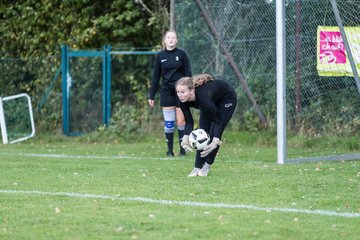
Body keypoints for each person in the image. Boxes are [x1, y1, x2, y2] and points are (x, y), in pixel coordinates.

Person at [176, 74, 237, 177]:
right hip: (211, 102)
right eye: (178, 92)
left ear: (191, 91)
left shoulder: (203, 98)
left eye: (183, 92)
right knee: (202, 134)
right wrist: (185, 137)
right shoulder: (182, 100)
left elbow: (217, 121)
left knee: (214, 133)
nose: (180, 95)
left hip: (226, 99)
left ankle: (207, 167)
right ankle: (197, 167)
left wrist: (215, 140)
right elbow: (189, 121)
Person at [148, 30, 192, 157]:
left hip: (180, 92)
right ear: (165, 40)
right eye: (169, 38)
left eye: (173, 38)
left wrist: (190, 91)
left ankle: (182, 150)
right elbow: (156, 76)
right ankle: (169, 151)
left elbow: (188, 73)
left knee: (180, 121)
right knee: (169, 122)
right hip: (166, 92)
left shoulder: (182, 54)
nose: (171, 40)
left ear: (177, 40)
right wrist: (151, 95)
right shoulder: (160, 56)